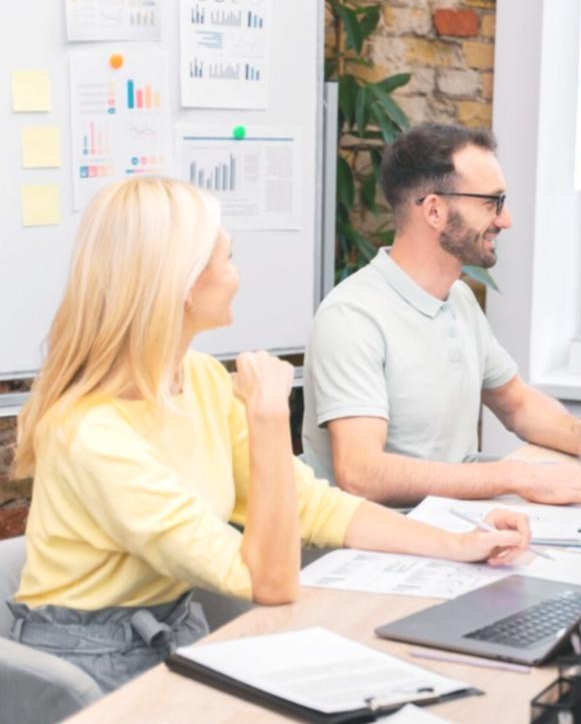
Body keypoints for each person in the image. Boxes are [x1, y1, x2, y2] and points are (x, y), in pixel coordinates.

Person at [9, 178, 531, 692]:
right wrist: (266, 418)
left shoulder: (200, 378)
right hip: (82, 668)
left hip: (173, 630)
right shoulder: (90, 432)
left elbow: (313, 507)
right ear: (184, 285)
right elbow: (271, 582)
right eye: (227, 259)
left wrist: (458, 545)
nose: (237, 276)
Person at [301, 124, 581, 509]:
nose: (505, 219)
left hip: (450, 527)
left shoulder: (458, 299)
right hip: (376, 545)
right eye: (491, 202)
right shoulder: (352, 318)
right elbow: (361, 473)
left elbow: (515, 403)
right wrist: (515, 476)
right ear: (434, 210)